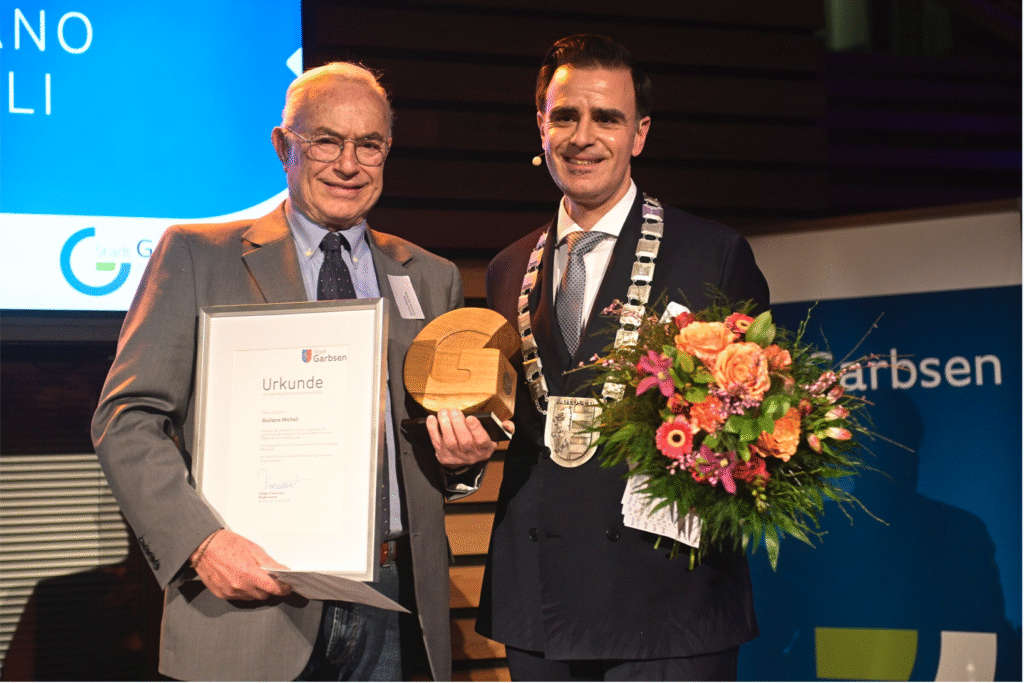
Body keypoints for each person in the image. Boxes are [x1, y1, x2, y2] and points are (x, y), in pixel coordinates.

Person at [92, 62, 500, 681]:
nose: (348, 165)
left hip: (391, 600)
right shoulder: (198, 257)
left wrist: (461, 463)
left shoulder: (428, 277)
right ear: (284, 146)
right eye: (326, 142)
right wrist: (203, 544)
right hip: (251, 595)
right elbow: (126, 419)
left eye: (369, 145)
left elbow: (430, 450)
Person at [476, 35, 770, 681]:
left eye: (606, 118)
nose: (582, 137)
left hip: (668, 602)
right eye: (565, 116)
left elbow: (753, 430)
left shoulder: (712, 254)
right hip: (540, 602)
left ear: (639, 134)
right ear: (541, 126)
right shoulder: (507, 268)